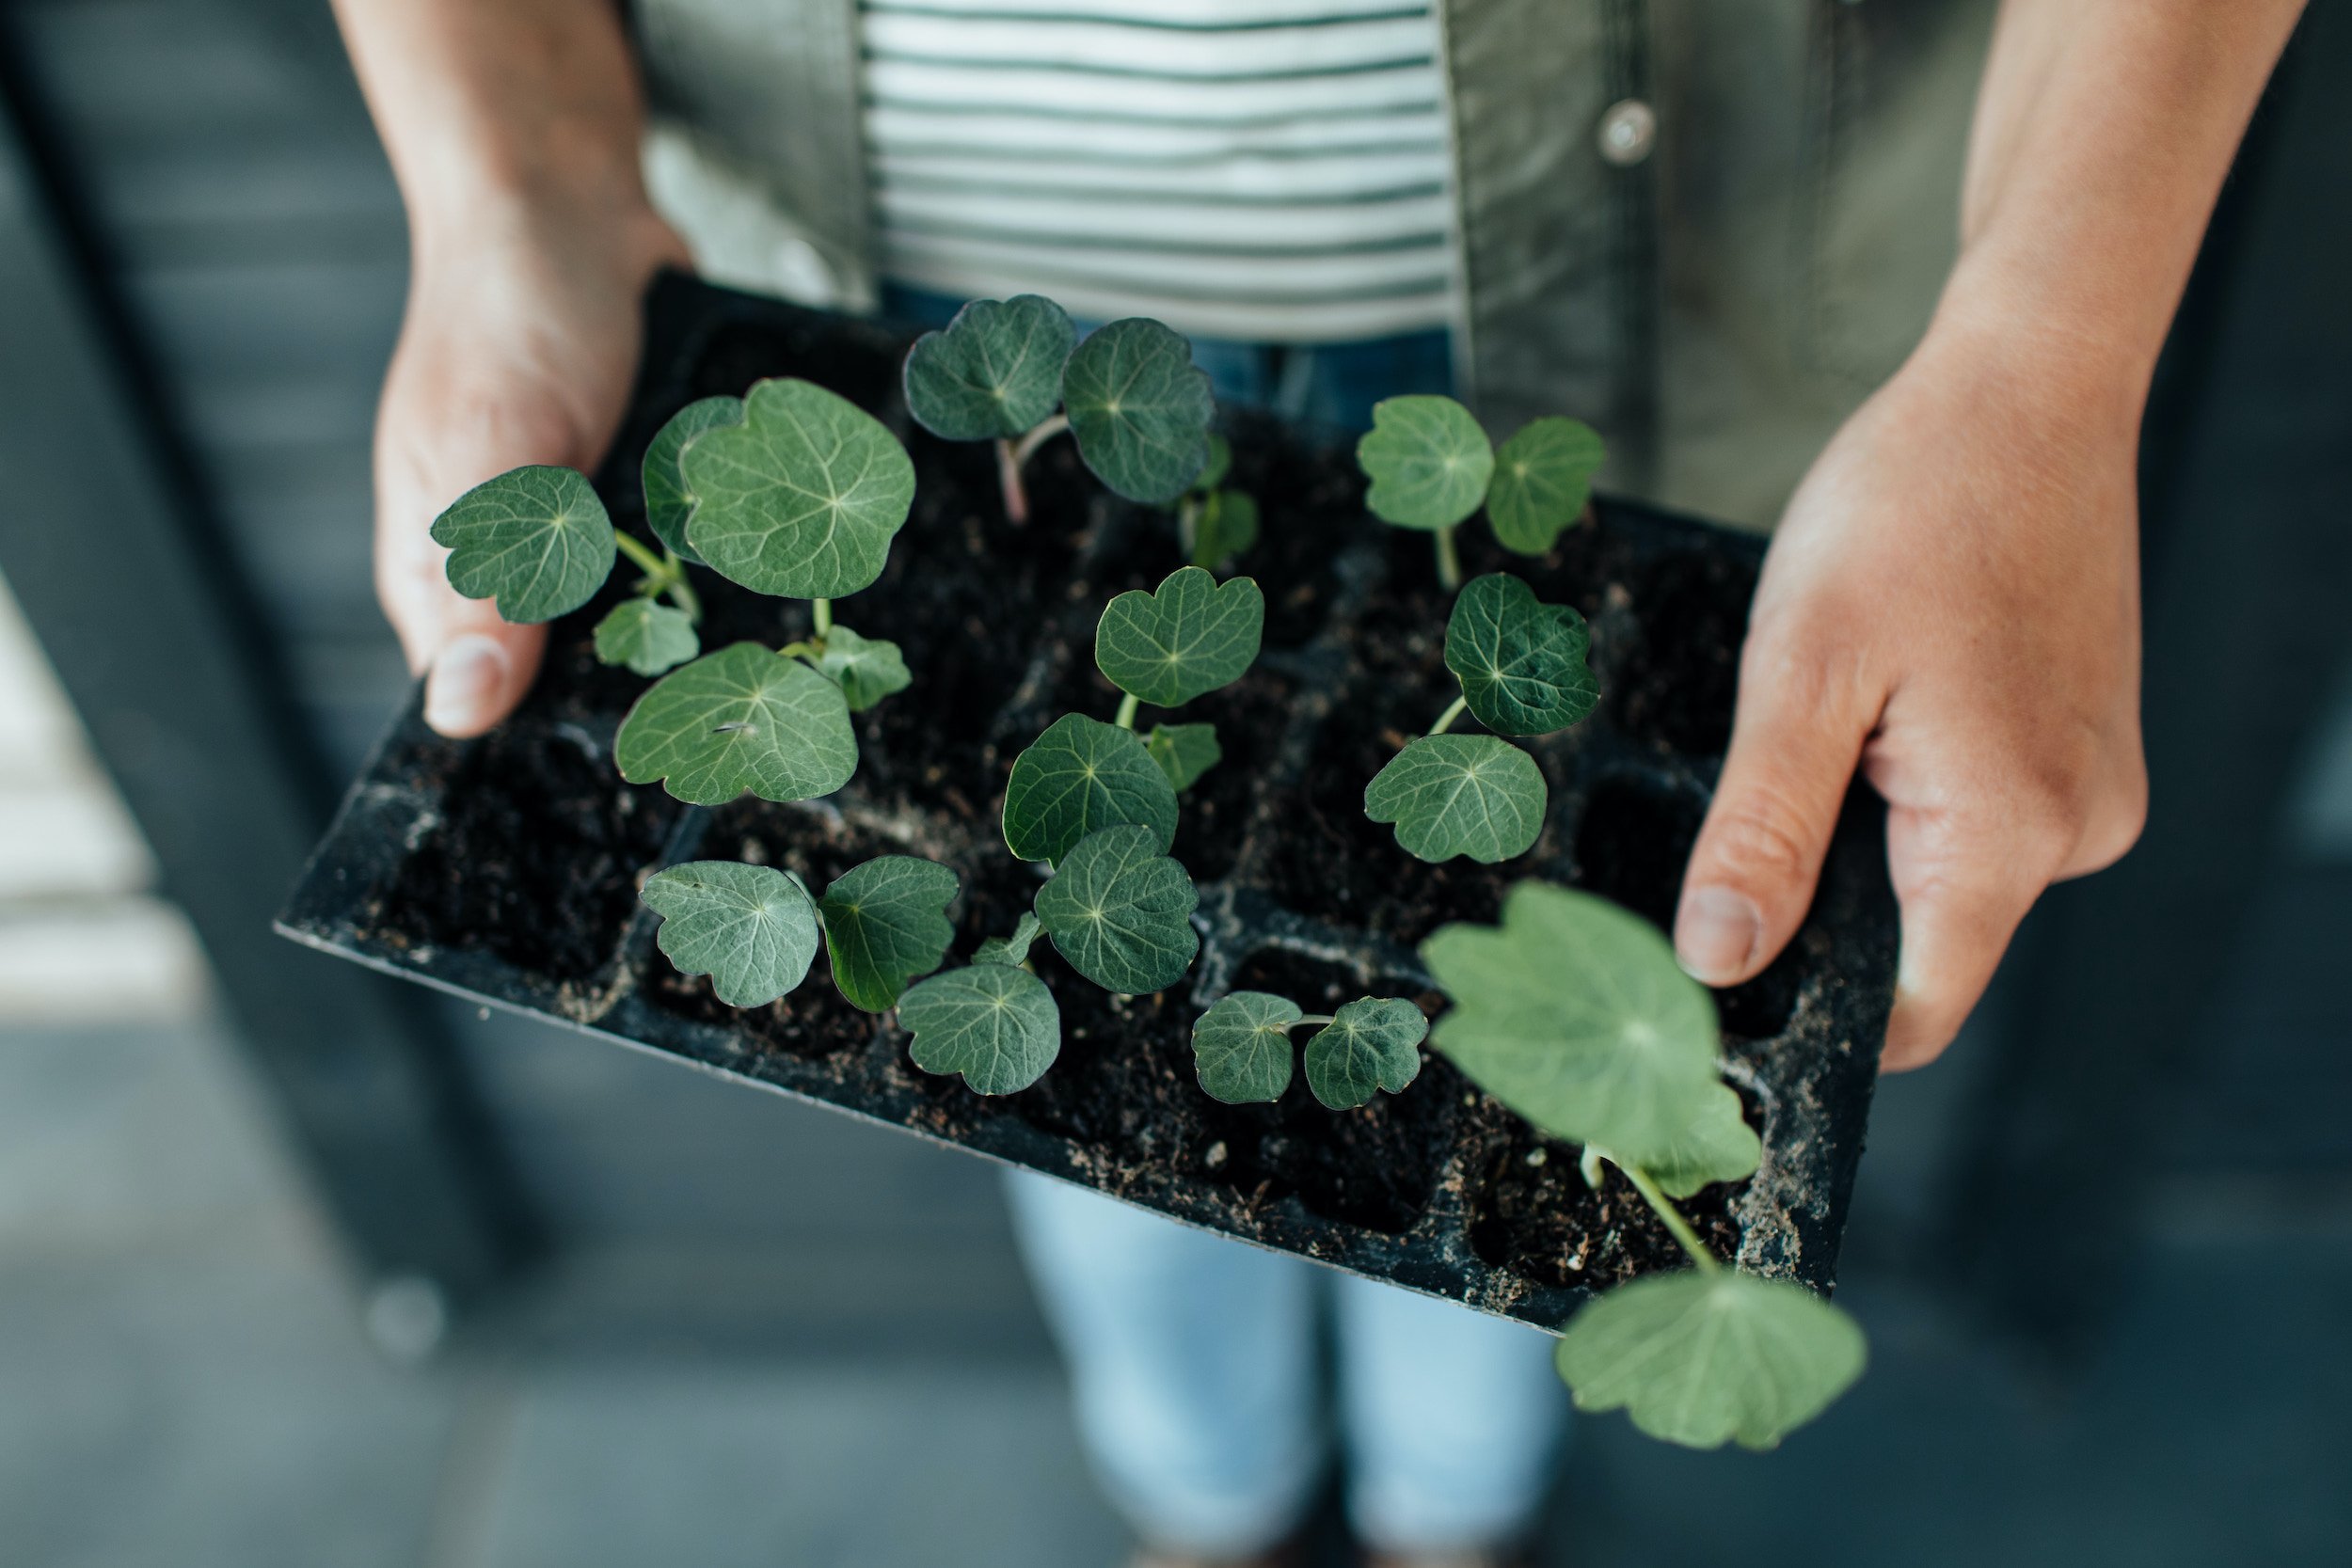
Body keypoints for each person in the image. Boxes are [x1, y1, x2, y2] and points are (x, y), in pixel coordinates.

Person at [329, 2, 2303, 1563]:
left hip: (1668, 295)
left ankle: (1449, 1515)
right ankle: (1211, 1495)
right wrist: (508, 180)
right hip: (925, 337)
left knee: (1536, 1100)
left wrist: (2045, 350)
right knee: (1079, 1065)